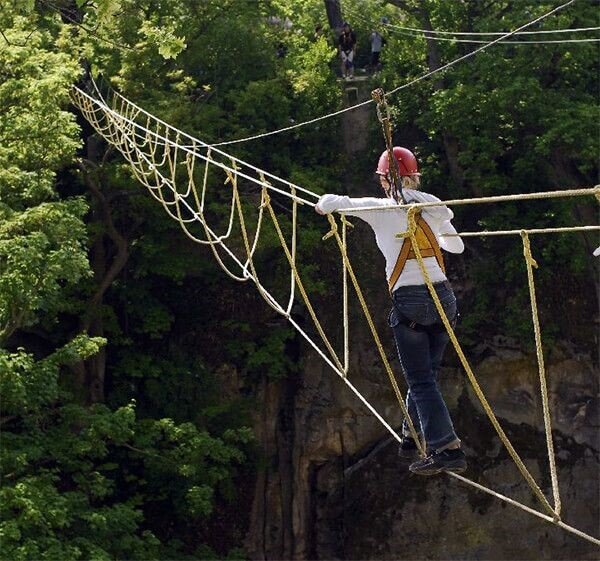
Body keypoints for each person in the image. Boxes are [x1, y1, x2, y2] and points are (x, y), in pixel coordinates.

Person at [315, 147, 467, 476]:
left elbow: (329, 204)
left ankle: (446, 447)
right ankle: (412, 436)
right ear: (415, 176)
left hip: (411, 302)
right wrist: (424, 209)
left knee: (421, 380)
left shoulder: (380, 208)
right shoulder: (433, 207)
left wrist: (397, 205)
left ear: (385, 180)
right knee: (426, 375)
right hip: (445, 301)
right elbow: (456, 246)